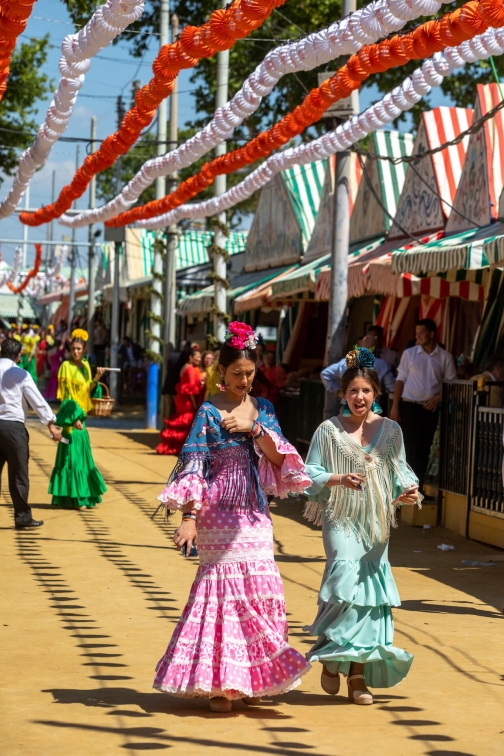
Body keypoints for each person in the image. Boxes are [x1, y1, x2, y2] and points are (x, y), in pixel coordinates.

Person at [153, 321, 312, 712]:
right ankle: (222, 685)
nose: (244, 381)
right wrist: (189, 517)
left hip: (255, 514)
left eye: (250, 374)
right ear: (221, 372)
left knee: (260, 590)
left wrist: (253, 427)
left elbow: (280, 459)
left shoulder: (265, 410)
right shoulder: (208, 411)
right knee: (222, 597)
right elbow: (194, 464)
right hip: (217, 515)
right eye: (237, 374)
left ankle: (248, 679)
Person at [303, 346, 420, 705]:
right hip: (340, 518)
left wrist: (408, 492)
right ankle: (329, 653)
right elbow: (308, 475)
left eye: (366, 391)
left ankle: (357, 676)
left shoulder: (392, 430)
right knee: (343, 581)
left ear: (376, 395)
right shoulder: (328, 431)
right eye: (353, 391)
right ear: (343, 395)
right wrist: (338, 479)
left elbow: (400, 471)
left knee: (369, 598)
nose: (359, 397)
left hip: (377, 523)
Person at [0, 337, 62, 529]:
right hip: (14, 429)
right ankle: (22, 517)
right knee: (19, 473)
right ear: (18, 356)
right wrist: (51, 424)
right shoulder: (20, 374)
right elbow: (37, 401)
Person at [390, 318, 456, 495]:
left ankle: (414, 487)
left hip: (430, 408)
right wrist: (395, 406)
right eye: (416, 332)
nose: (417, 336)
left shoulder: (445, 357)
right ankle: (408, 488)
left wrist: (438, 398)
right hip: (410, 406)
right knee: (411, 447)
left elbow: (452, 385)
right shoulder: (409, 354)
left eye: (421, 332)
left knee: (424, 448)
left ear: (432, 334)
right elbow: (400, 380)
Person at [48, 329, 107, 510]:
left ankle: (81, 496)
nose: (76, 352)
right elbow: (65, 397)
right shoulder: (66, 367)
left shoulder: (86, 366)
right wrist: (73, 418)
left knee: (82, 458)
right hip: (71, 420)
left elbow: (88, 392)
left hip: (82, 418)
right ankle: (73, 498)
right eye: (73, 348)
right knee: (71, 459)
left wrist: (96, 378)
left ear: (84, 349)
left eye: (79, 349)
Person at [156, 348, 203, 456]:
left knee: (181, 421)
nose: (199, 360)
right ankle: (180, 447)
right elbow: (191, 388)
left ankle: (172, 446)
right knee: (187, 420)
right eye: (197, 357)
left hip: (181, 398)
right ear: (190, 357)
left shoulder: (184, 367)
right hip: (187, 399)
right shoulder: (191, 369)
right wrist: (195, 404)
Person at [321, 335, 396, 398]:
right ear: (376, 348)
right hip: (371, 409)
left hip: (348, 408)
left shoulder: (347, 361)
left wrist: (338, 391)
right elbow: (392, 387)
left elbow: (325, 373)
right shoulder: (382, 365)